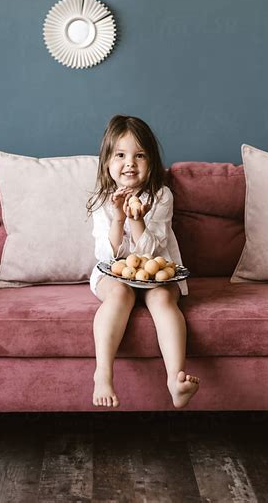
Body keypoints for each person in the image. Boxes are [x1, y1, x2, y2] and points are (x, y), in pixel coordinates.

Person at [86, 114, 200, 409]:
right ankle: (103, 374)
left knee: (163, 298)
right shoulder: (103, 201)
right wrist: (119, 218)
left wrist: (137, 221)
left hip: (156, 273)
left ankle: (175, 380)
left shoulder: (161, 196)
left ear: (151, 162)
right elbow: (107, 256)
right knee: (119, 292)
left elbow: (152, 254)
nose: (130, 163)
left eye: (140, 156)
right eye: (120, 155)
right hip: (115, 273)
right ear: (107, 162)